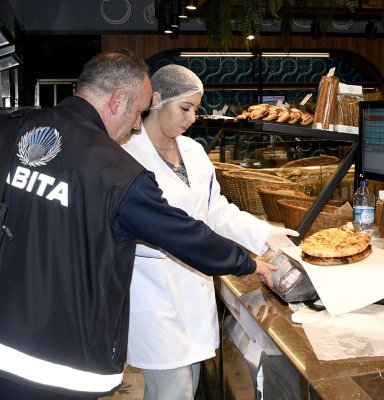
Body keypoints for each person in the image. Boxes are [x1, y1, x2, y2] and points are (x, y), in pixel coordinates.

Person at [0, 49, 279, 400]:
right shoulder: (117, 172)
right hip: (42, 368)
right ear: (118, 100)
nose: (138, 124)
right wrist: (245, 262)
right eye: (139, 112)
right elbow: (183, 234)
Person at [120, 64, 298, 400]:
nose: (191, 118)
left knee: (184, 390)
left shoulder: (194, 151)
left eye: (196, 110)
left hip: (195, 293)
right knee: (172, 392)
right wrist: (237, 260)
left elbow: (216, 210)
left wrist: (266, 235)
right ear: (157, 99)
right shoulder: (127, 154)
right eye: (184, 108)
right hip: (155, 292)